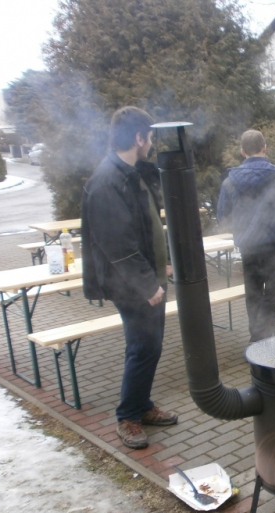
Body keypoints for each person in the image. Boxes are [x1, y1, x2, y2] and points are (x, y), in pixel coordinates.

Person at [81, 106, 178, 450]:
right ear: (138, 138)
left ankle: (142, 405)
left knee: (150, 347)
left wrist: (161, 265)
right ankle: (128, 417)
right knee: (141, 348)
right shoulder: (108, 181)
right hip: (132, 284)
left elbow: (145, 226)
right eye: (150, 136)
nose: (151, 143)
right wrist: (147, 284)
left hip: (147, 277)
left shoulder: (130, 173)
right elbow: (116, 244)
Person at [217, 130, 275, 342]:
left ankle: (257, 337)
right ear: (265, 148)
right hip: (274, 247)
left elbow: (222, 217)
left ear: (242, 151)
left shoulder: (230, 181)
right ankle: (265, 336)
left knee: (253, 294)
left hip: (248, 248)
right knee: (273, 293)